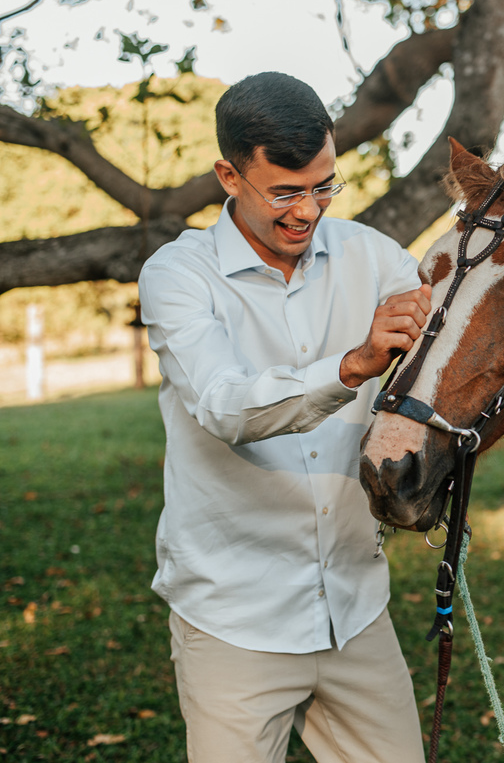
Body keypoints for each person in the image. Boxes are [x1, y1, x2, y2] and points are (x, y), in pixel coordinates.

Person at [138, 72, 432, 762]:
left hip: (356, 609)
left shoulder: (376, 257)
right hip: (233, 619)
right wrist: (352, 365)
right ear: (228, 175)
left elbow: (456, 332)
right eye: (287, 191)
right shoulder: (178, 276)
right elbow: (223, 403)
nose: (308, 210)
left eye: (325, 186)